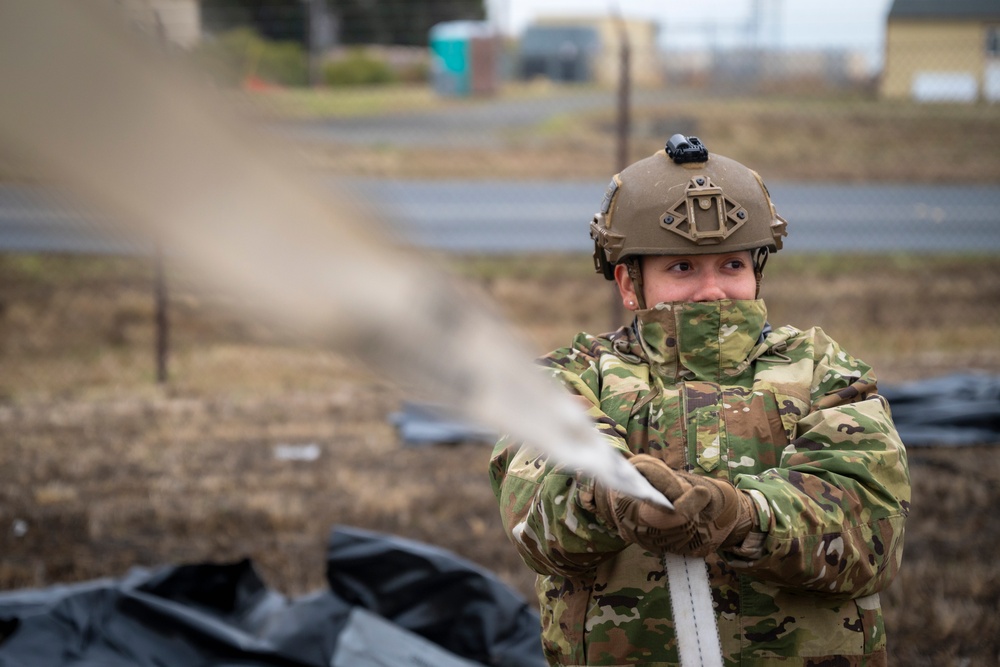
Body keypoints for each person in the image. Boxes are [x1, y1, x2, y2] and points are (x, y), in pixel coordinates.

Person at [489, 135, 910, 666]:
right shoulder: (570, 377)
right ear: (628, 282)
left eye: (731, 265)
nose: (712, 290)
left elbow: (870, 533)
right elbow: (536, 516)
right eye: (683, 268)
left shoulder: (827, 374)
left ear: (758, 271)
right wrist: (617, 501)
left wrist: (738, 517)